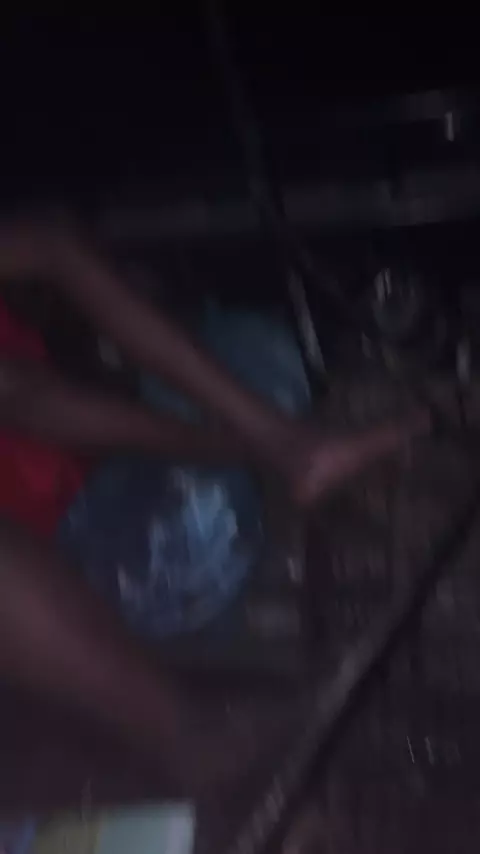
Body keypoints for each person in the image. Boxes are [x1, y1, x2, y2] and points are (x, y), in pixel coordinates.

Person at [0, 220, 431, 794]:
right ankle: (188, 735)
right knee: (211, 499)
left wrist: (274, 440)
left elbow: (51, 247)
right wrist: (257, 449)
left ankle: (306, 464)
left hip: (102, 480)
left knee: (258, 350)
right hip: (86, 573)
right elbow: (23, 396)